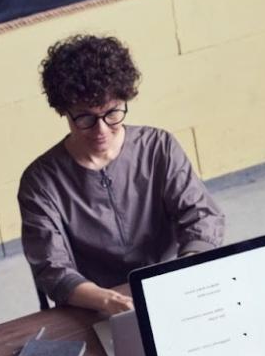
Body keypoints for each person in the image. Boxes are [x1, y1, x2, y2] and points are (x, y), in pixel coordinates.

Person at [19, 34, 224, 314]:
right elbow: (51, 267)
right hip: (93, 303)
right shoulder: (41, 182)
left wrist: (186, 268)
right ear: (63, 111)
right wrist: (106, 301)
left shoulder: (158, 147)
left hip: (171, 284)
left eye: (112, 113)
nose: (101, 130)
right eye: (85, 118)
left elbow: (201, 216)